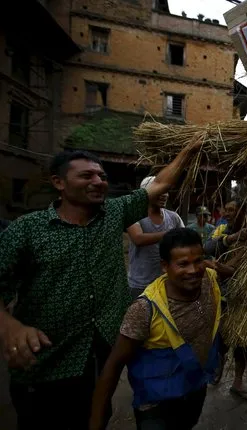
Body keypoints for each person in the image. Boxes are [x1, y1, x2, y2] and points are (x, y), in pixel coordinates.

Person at [0, 144, 201, 429]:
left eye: (101, 176)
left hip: (102, 357)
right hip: (46, 366)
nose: (98, 182)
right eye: (86, 176)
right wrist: (9, 327)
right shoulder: (27, 229)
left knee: (97, 416)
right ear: (59, 182)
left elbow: (161, 183)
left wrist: (190, 150)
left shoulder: (114, 213)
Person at [89, 228, 222, 430]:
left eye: (198, 261)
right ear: (164, 266)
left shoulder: (209, 280)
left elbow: (222, 271)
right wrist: (96, 423)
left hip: (194, 387)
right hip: (156, 404)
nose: (193, 270)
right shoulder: (144, 310)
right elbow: (113, 366)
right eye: (183, 264)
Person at [204, 199, 247, 401]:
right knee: (221, 338)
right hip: (223, 295)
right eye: (227, 209)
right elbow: (208, 247)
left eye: (233, 210)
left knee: (244, 343)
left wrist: (226, 268)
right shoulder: (223, 228)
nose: (228, 213)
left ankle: (238, 381)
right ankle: (218, 366)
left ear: (244, 211)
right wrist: (231, 238)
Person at [127, 176, 184, 299]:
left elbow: (184, 240)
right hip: (140, 284)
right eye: (159, 191)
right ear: (146, 193)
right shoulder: (134, 215)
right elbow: (138, 238)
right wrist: (171, 233)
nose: (164, 195)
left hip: (166, 283)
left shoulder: (174, 217)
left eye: (166, 191)